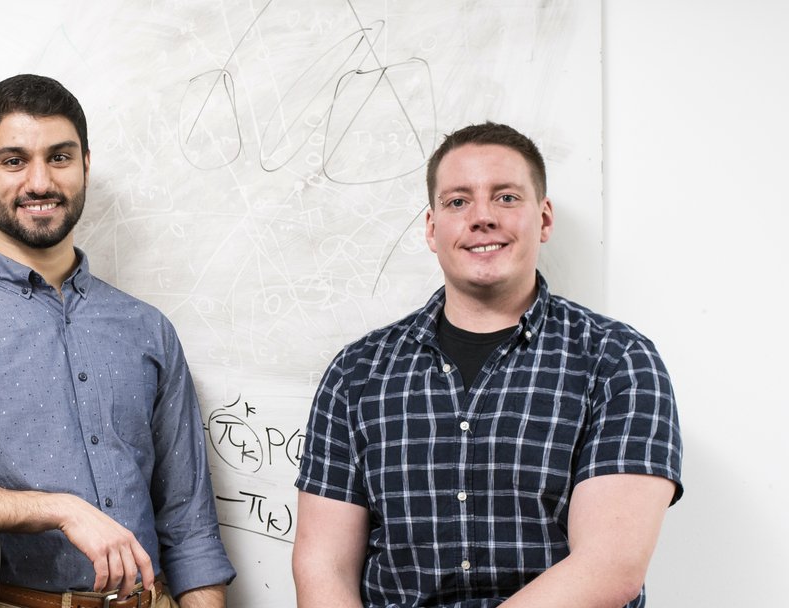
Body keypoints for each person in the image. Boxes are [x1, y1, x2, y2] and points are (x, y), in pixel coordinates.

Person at [0, 74, 235, 608]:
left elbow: (189, 522)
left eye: (59, 157)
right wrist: (59, 509)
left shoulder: (148, 329)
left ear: (85, 165)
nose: (39, 182)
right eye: (14, 161)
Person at [292, 122, 682, 607]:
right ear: (432, 228)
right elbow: (323, 565)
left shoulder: (617, 361)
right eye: (458, 201)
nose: (482, 217)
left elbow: (609, 566)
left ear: (543, 219)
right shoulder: (356, 374)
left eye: (506, 198)